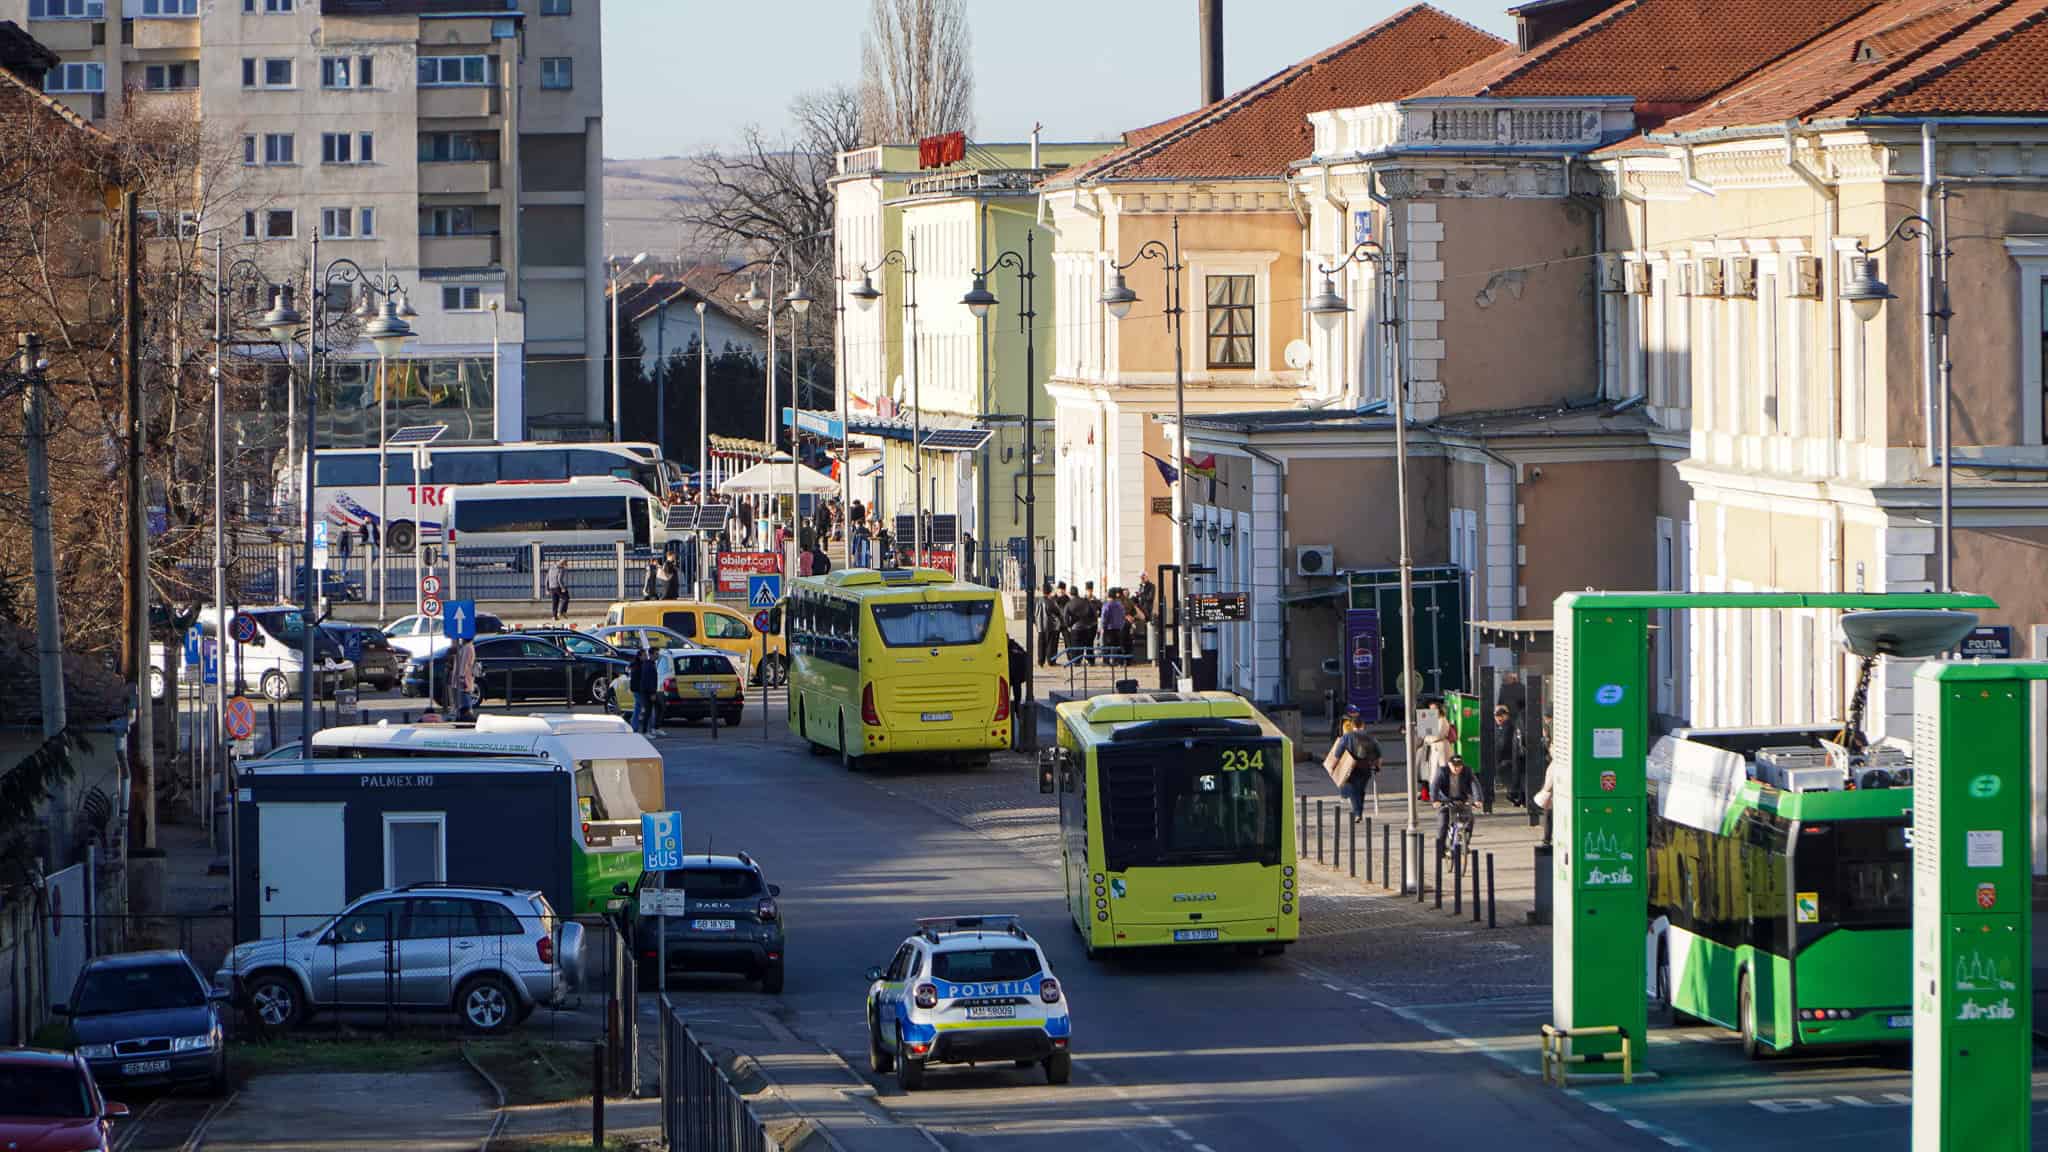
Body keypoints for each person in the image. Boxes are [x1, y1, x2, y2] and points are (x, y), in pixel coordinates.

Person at [1326, 705, 1382, 823]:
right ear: (1363, 725)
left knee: (1353, 790)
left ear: (1353, 725)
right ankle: (1359, 812)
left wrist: (1332, 767)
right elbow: (1378, 754)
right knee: (1360, 790)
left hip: (1352, 768)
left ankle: (1357, 813)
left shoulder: (1347, 737)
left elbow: (1338, 754)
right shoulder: (1371, 737)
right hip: (1366, 768)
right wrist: (1377, 766)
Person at [1432, 753, 1479, 846]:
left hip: (1461, 800)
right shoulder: (1442, 771)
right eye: (1454, 766)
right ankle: (1441, 851)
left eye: (1459, 766)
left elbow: (1475, 785)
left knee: (1470, 819)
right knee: (1443, 824)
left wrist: (1478, 800)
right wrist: (1435, 800)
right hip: (1445, 801)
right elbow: (1434, 786)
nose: (1457, 769)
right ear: (1449, 764)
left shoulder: (1467, 771)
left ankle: (1466, 843)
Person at [1490, 704, 1519, 810]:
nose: (1499, 718)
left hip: (1506, 759)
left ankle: (1513, 794)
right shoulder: (1498, 727)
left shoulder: (1509, 727)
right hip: (1437, 746)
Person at [1065, 582, 1098, 664]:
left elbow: (1065, 616)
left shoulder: (1069, 604)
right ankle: (1089, 660)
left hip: (1075, 627)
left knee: (1075, 645)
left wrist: (1068, 625)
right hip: (1086, 627)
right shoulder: (1085, 601)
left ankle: (1077, 661)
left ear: (1070, 594)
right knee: (1086, 645)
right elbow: (1092, 612)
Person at [449, 636, 478, 720]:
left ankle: (467, 717)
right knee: (462, 698)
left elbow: (465, 664)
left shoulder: (468, 647)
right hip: (461, 678)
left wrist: (462, 677)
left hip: (464, 678)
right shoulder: (465, 647)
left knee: (465, 698)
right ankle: (463, 716)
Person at [1099, 588, 1128, 665]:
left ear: (1108, 595)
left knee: (1107, 647)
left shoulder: (1107, 605)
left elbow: (1104, 617)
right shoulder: (1120, 605)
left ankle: (1106, 662)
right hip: (1118, 629)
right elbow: (1123, 617)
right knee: (1117, 646)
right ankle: (1118, 661)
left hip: (1108, 629)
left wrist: (1102, 627)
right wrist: (1121, 626)